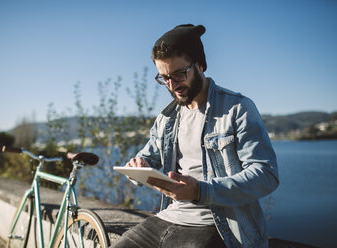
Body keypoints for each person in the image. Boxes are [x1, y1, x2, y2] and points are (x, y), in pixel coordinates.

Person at [112, 24, 279, 248]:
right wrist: (137, 166)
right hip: (168, 217)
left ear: (200, 64)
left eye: (179, 74)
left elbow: (266, 174)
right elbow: (148, 156)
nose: (172, 85)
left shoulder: (238, 108)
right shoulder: (167, 118)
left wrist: (202, 191)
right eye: (164, 78)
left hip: (219, 225)